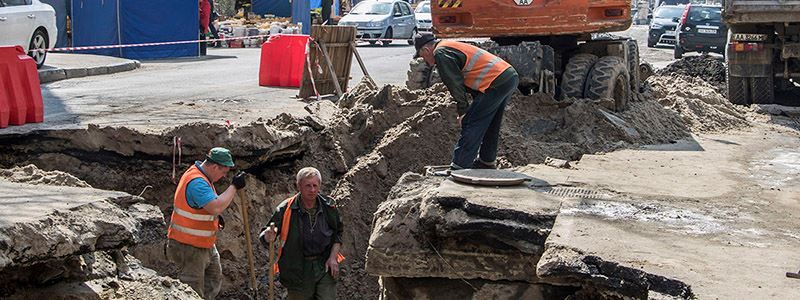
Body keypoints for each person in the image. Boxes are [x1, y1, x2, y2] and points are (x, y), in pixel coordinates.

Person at [412, 32, 519, 170]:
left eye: (422, 56)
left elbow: (454, 83)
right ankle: (486, 161)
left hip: (496, 82)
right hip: (507, 77)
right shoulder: (448, 46)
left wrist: (463, 111)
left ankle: (460, 166)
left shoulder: (441, 53)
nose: (424, 60)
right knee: (491, 122)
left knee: (471, 122)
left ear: (426, 50)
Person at [166, 147, 246, 300]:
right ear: (215, 167)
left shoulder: (202, 175)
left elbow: (205, 207)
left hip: (204, 243)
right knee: (192, 289)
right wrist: (234, 186)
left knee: (213, 280)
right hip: (188, 245)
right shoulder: (197, 182)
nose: (223, 176)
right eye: (223, 172)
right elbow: (215, 207)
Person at [260, 167, 344, 300]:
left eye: (315, 185)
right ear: (298, 186)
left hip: (324, 266)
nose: (312, 190)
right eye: (308, 186)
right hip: (297, 269)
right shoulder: (285, 209)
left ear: (320, 186)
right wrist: (268, 236)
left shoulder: (329, 207)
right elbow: (266, 235)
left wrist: (333, 257)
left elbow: (338, 233)